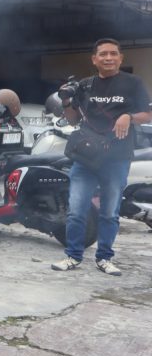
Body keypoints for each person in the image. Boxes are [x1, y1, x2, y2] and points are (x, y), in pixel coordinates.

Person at [51, 38, 151, 276]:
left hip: (117, 158)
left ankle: (104, 258)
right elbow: (74, 119)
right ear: (94, 59)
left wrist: (128, 117)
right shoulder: (85, 85)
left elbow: (147, 114)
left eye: (113, 53)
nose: (108, 58)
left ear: (120, 58)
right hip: (85, 158)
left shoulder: (133, 83)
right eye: (103, 54)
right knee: (77, 209)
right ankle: (73, 256)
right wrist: (66, 101)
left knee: (109, 211)